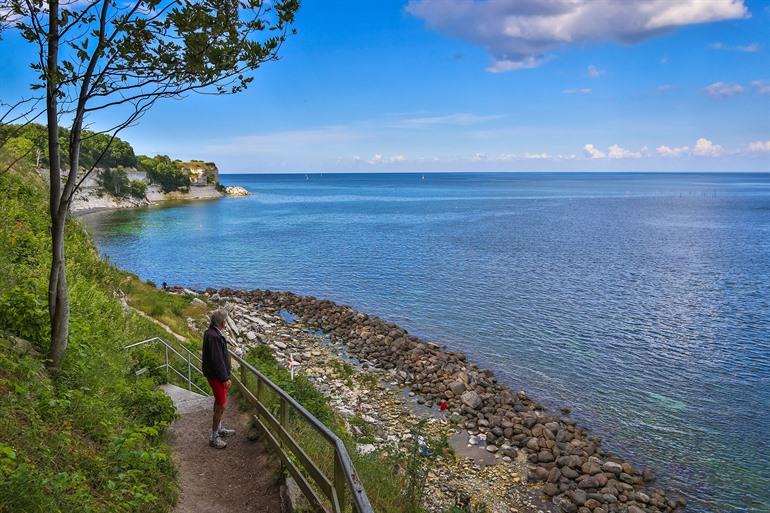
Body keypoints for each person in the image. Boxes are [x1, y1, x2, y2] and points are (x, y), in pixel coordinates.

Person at [202, 309, 236, 449]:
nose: (227, 322)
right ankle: (214, 437)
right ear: (222, 322)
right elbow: (217, 360)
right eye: (226, 320)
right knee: (221, 405)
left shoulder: (210, 333)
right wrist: (225, 378)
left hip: (214, 375)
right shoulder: (215, 337)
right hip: (217, 377)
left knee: (218, 401)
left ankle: (220, 429)